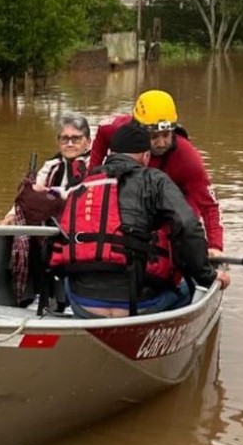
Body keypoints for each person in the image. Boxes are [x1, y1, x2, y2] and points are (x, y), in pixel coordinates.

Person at [49, 123, 230, 318]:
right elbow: (188, 226)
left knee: (70, 278)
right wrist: (208, 274)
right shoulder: (156, 180)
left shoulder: (83, 184)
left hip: (84, 305)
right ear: (146, 156)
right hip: (138, 306)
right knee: (193, 283)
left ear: (112, 153)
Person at [89, 90, 224, 258]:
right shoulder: (116, 129)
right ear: (137, 130)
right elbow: (101, 133)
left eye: (167, 135)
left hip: (175, 206)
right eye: (153, 136)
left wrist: (215, 246)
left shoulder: (187, 157)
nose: (161, 143)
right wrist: (92, 177)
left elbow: (209, 205)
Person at [0, 113, 92, 226]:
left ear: (88, 142)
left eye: (76, 139)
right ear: (59, 142)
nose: (70, 144)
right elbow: (30, 193)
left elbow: (78, 195)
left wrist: (50, 192)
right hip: (53, 226)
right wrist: (11, 215)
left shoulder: (96, 166)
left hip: (82, 224)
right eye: (65, 139)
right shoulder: (52, 166)